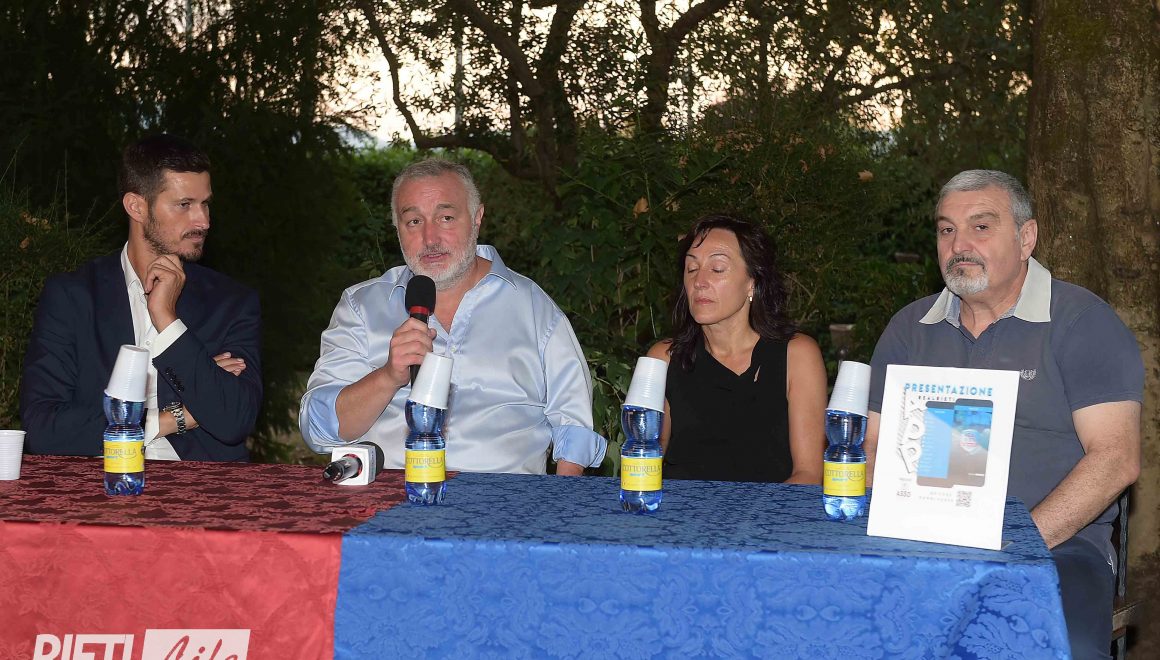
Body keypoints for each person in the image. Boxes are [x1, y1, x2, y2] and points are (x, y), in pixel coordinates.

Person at [865, 170, 1142, 659]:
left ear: (1026, 238)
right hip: (921, 540)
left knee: (1065, 647)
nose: (959, 245)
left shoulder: (1081, 321)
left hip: (1057, 545)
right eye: (946, 229)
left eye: (981, 227)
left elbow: (1115, 459)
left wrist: (1014, 541)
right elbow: (871, 446)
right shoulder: (910, 328)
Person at [299, 158, 606, 475]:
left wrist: (558, 500)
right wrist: (388, 377)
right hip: (390, 498)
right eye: (414, 222)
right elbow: (319, 430)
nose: (430, 239)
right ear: (397, 228)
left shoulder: (533, 307)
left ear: (477, 218)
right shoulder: (361, 306)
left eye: (445, 218)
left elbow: (574, 425)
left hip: (504, 500)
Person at [21, 134, 262, 461]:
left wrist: (167, 320)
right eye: (184, 204)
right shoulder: (74, 297)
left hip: (200, 486)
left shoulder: (230, 302)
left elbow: (233, 419)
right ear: (136, 206)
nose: (203, 221)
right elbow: (43, 429)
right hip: (100, 481)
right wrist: (171, 419)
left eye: (205, 203)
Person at [646, 214, 827, 483]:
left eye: (717, 269)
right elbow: (644, 459)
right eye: (692, 268)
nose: (699, 281)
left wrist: (755, 511)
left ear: (752, 282)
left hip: (771, 507)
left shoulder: (797, 355)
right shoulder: (664, 358)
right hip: (681, 507)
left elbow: (809, 474)